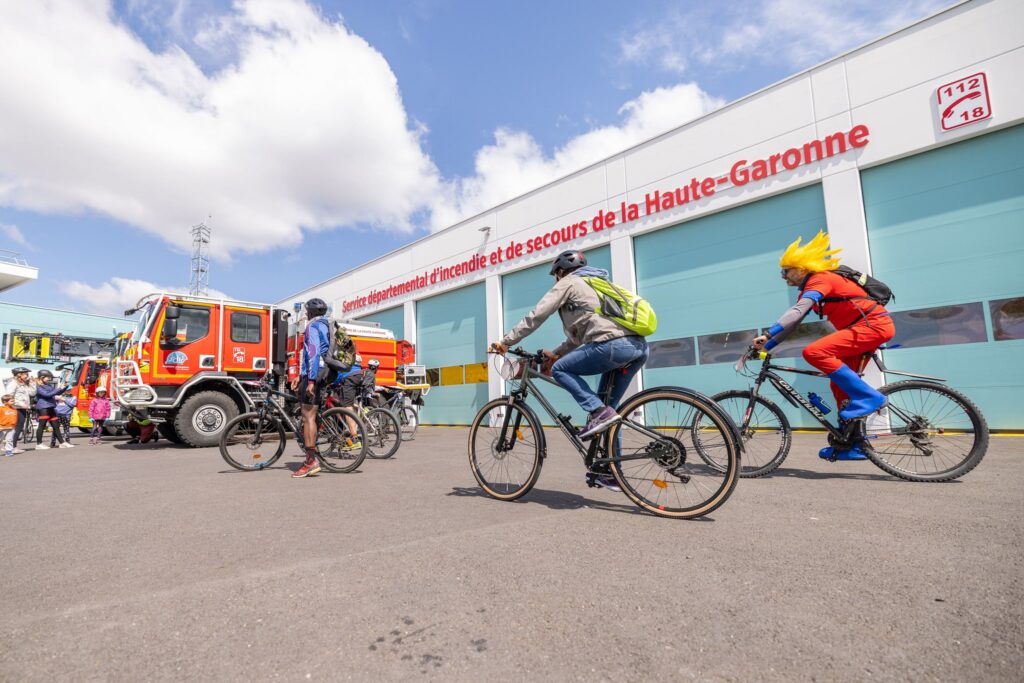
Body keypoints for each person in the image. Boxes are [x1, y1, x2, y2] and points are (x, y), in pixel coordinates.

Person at [490, 250, 650, 490]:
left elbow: (536, 316)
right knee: (611, 413)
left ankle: (598, 412)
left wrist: (506, 342)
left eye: (556, 275)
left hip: (612, 346)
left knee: (562, 370)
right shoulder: (597, 284)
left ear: (560, 272)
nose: (556, 279)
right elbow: (579, 337)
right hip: (636, 348)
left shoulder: (569, 283)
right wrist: (556, 352)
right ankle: (612, 472)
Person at [752, 231, 895, 461]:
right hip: (864, 329)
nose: (783, 277)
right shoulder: (816, 283)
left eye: (785, 271)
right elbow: (795, 322)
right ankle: (854, 445)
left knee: (814, 352)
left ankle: (870, 398)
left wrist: (769, 333)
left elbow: (797, 312)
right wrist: (769, 344)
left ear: (802, 268)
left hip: (872, 327)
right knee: (839, 388)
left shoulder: (821, 279)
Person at [290, 297, 333, 478]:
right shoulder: (327, 326)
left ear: (311, 312)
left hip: (316, 372)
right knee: (312, 415)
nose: (306, 313)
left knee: (308, 416)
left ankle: (310, 461)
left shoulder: (313, 327)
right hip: (325, 371)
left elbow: (313, 353)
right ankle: (312, 455)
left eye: (307, 311)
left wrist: (310, 380)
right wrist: (301, 377)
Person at [34, 369, 72, 450]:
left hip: (51, 406)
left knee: (56, 425)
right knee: (42, 425)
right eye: (48, 377)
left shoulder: (48, 385)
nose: (49, 379)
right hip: (43, 407)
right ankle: (39, 444)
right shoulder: (38, 386)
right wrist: (58, 389)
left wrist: (65, 387)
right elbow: (47, 395)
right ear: (42, 377)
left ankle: (62, 443)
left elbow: (56, 393)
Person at [10, 367, 36, 453]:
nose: (27, 376)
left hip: (22, 408)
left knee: (19, 428)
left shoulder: (24, 384)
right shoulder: (13, 384)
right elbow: (10, 397)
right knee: (16, 428)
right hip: (16, 408)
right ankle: (12, 447)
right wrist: (22, 405)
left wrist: (32, 383)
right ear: (19, 375)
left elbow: (32, 393)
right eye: (25, 374)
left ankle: (12, 446)